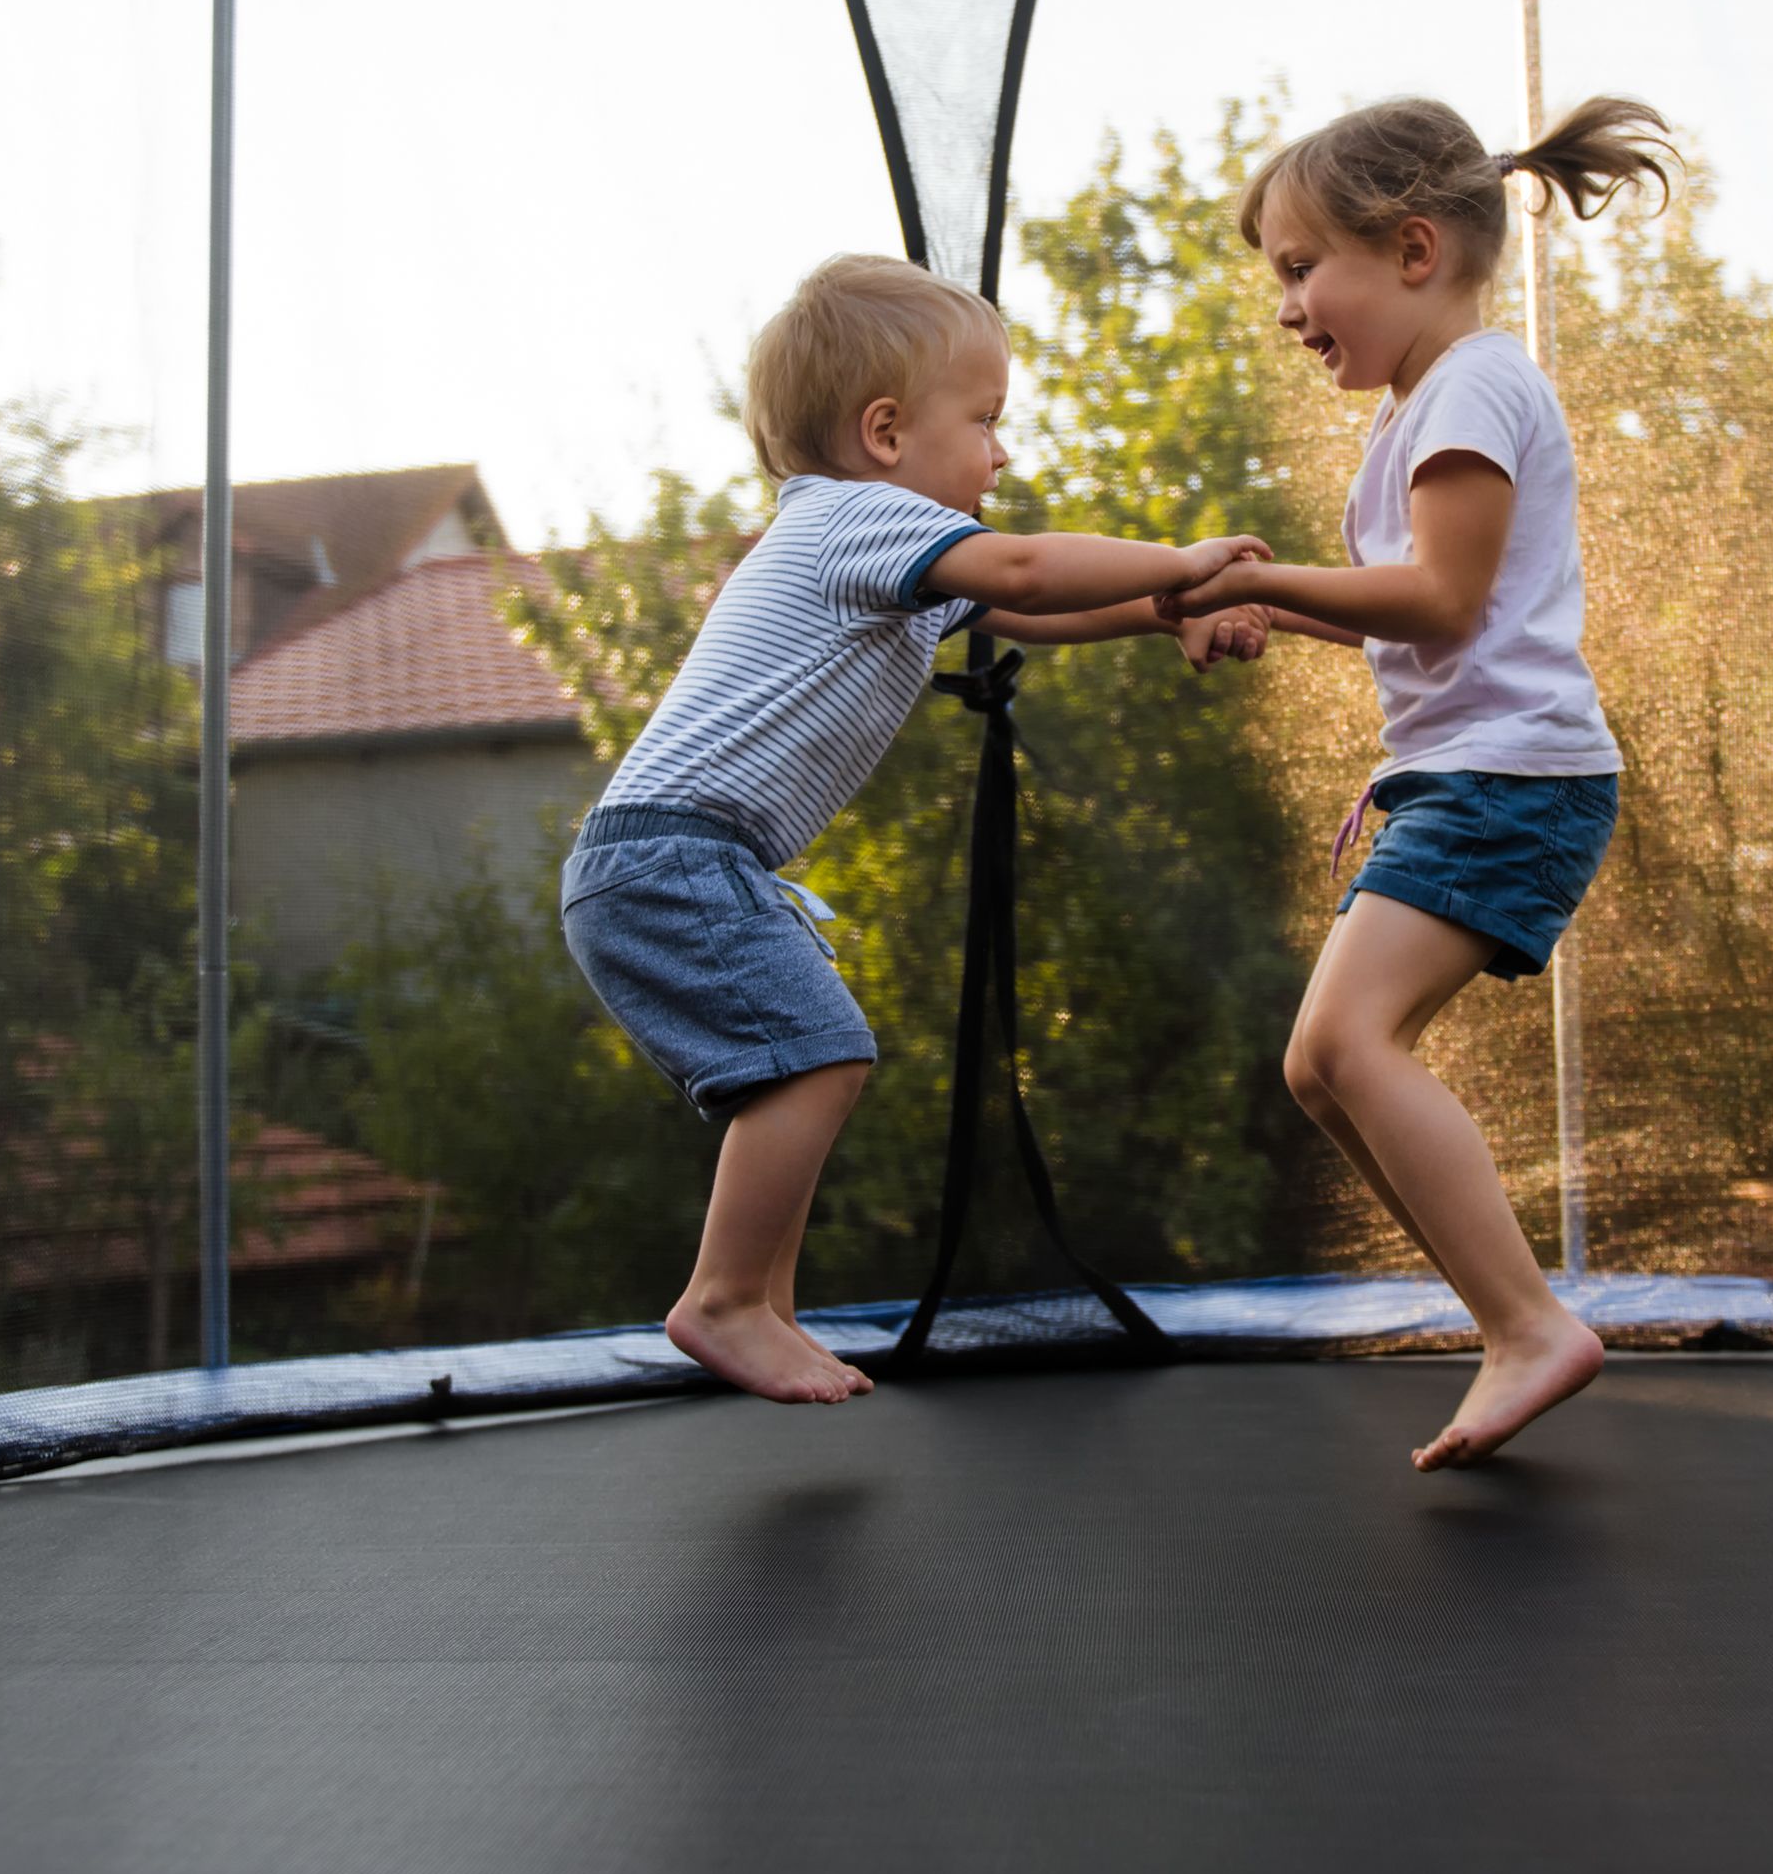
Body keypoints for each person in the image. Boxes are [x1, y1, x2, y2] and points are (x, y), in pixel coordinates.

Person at [563, 254, 1271, 1404]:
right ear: (885, 431)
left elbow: (1035, 607)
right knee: (821, 1056)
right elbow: (1029, 569)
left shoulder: (874, 546)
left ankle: (762, 1303)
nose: (1002, 452)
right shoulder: (855, 518)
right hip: (671, 856)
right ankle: (725, 1297)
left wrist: (1165, 613)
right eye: (985, 420)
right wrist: (1185, 561)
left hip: (676, 857)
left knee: (799, 1066)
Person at [1166, 95, 1676, 1469]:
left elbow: (1440, 598)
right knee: (1322, 1065)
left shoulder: (1473, 386)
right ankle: (1513, 1320)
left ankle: (1527, 1325)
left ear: (1410, 248)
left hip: (1510, 779)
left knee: (1346, 1046)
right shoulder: (1420, 410)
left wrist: (1255, 578)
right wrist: (1268, 609)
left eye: (1297, 268)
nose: (1285, 309)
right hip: (1470, 776)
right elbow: (1428, 616)